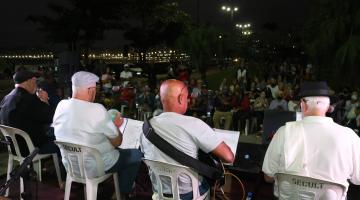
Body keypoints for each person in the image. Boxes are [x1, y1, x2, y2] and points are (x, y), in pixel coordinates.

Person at [52, 71, 142, 199]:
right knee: (136, 154)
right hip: (95, 166)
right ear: (90, 90)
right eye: (95, 89)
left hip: (71, 165)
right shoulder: (97, 109)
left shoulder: (61, 105)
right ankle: (120, 193)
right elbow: (117, 142)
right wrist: (115, 125)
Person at [262, 81, 360, 198]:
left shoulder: (283, 132)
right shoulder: (349, 136)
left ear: (303, 105)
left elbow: (268, 177)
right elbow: (357, 179)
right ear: (329, 107)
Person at [140, 79, 234, 200]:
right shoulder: (194, 124)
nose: (188, 100)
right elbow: (229, 157)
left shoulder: (146, 127)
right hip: (190, 194)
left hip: (159, 191)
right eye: (186, 97)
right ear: (180, 98)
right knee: (220, 177)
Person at [0, 70, 59, 157]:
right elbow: (51, 117)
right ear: (29, 82)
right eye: (35, 82)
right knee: (64, 141)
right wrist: (45, 100)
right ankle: (61, 169)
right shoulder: (27, 99)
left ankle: (47, 166)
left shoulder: (7, 98)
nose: (36, 85)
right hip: (31, 148)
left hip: (14, 147)